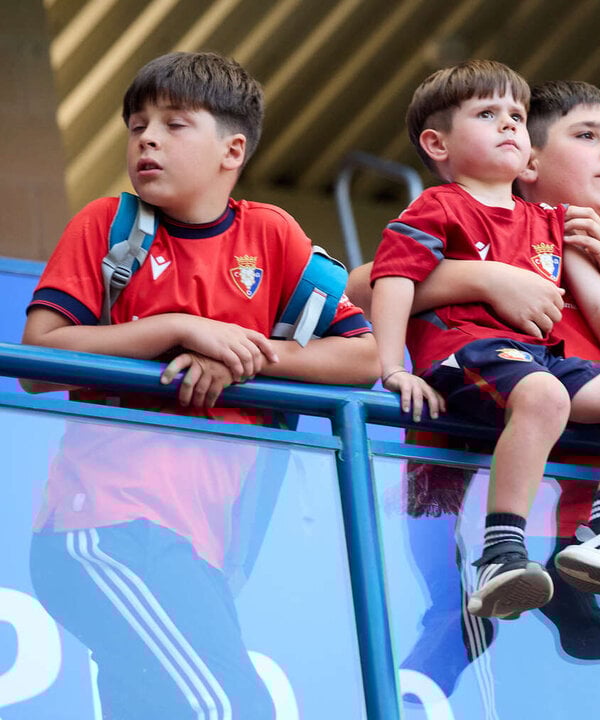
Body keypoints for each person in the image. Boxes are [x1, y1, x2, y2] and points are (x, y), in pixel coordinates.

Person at [21, 51, 378, 718]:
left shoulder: (272, 233)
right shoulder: (107, 224)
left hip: (200, 551)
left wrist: (245, 357)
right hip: (107, 527)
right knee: (234, 709)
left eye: (173, 124)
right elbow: (38, 360)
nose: (147, 140)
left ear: (232, 150)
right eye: (136, 127)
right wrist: (179, 329)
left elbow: (364, 357)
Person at [368, 60, 600, 620]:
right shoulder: (436, 206)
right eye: (487, 114)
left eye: (516, 117)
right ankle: (501, 552)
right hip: (466, 353)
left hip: (535, 361)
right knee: (545, 394)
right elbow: (391, 278)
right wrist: (393, 367)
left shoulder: (549, 219)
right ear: (437, 144)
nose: (507, 124)